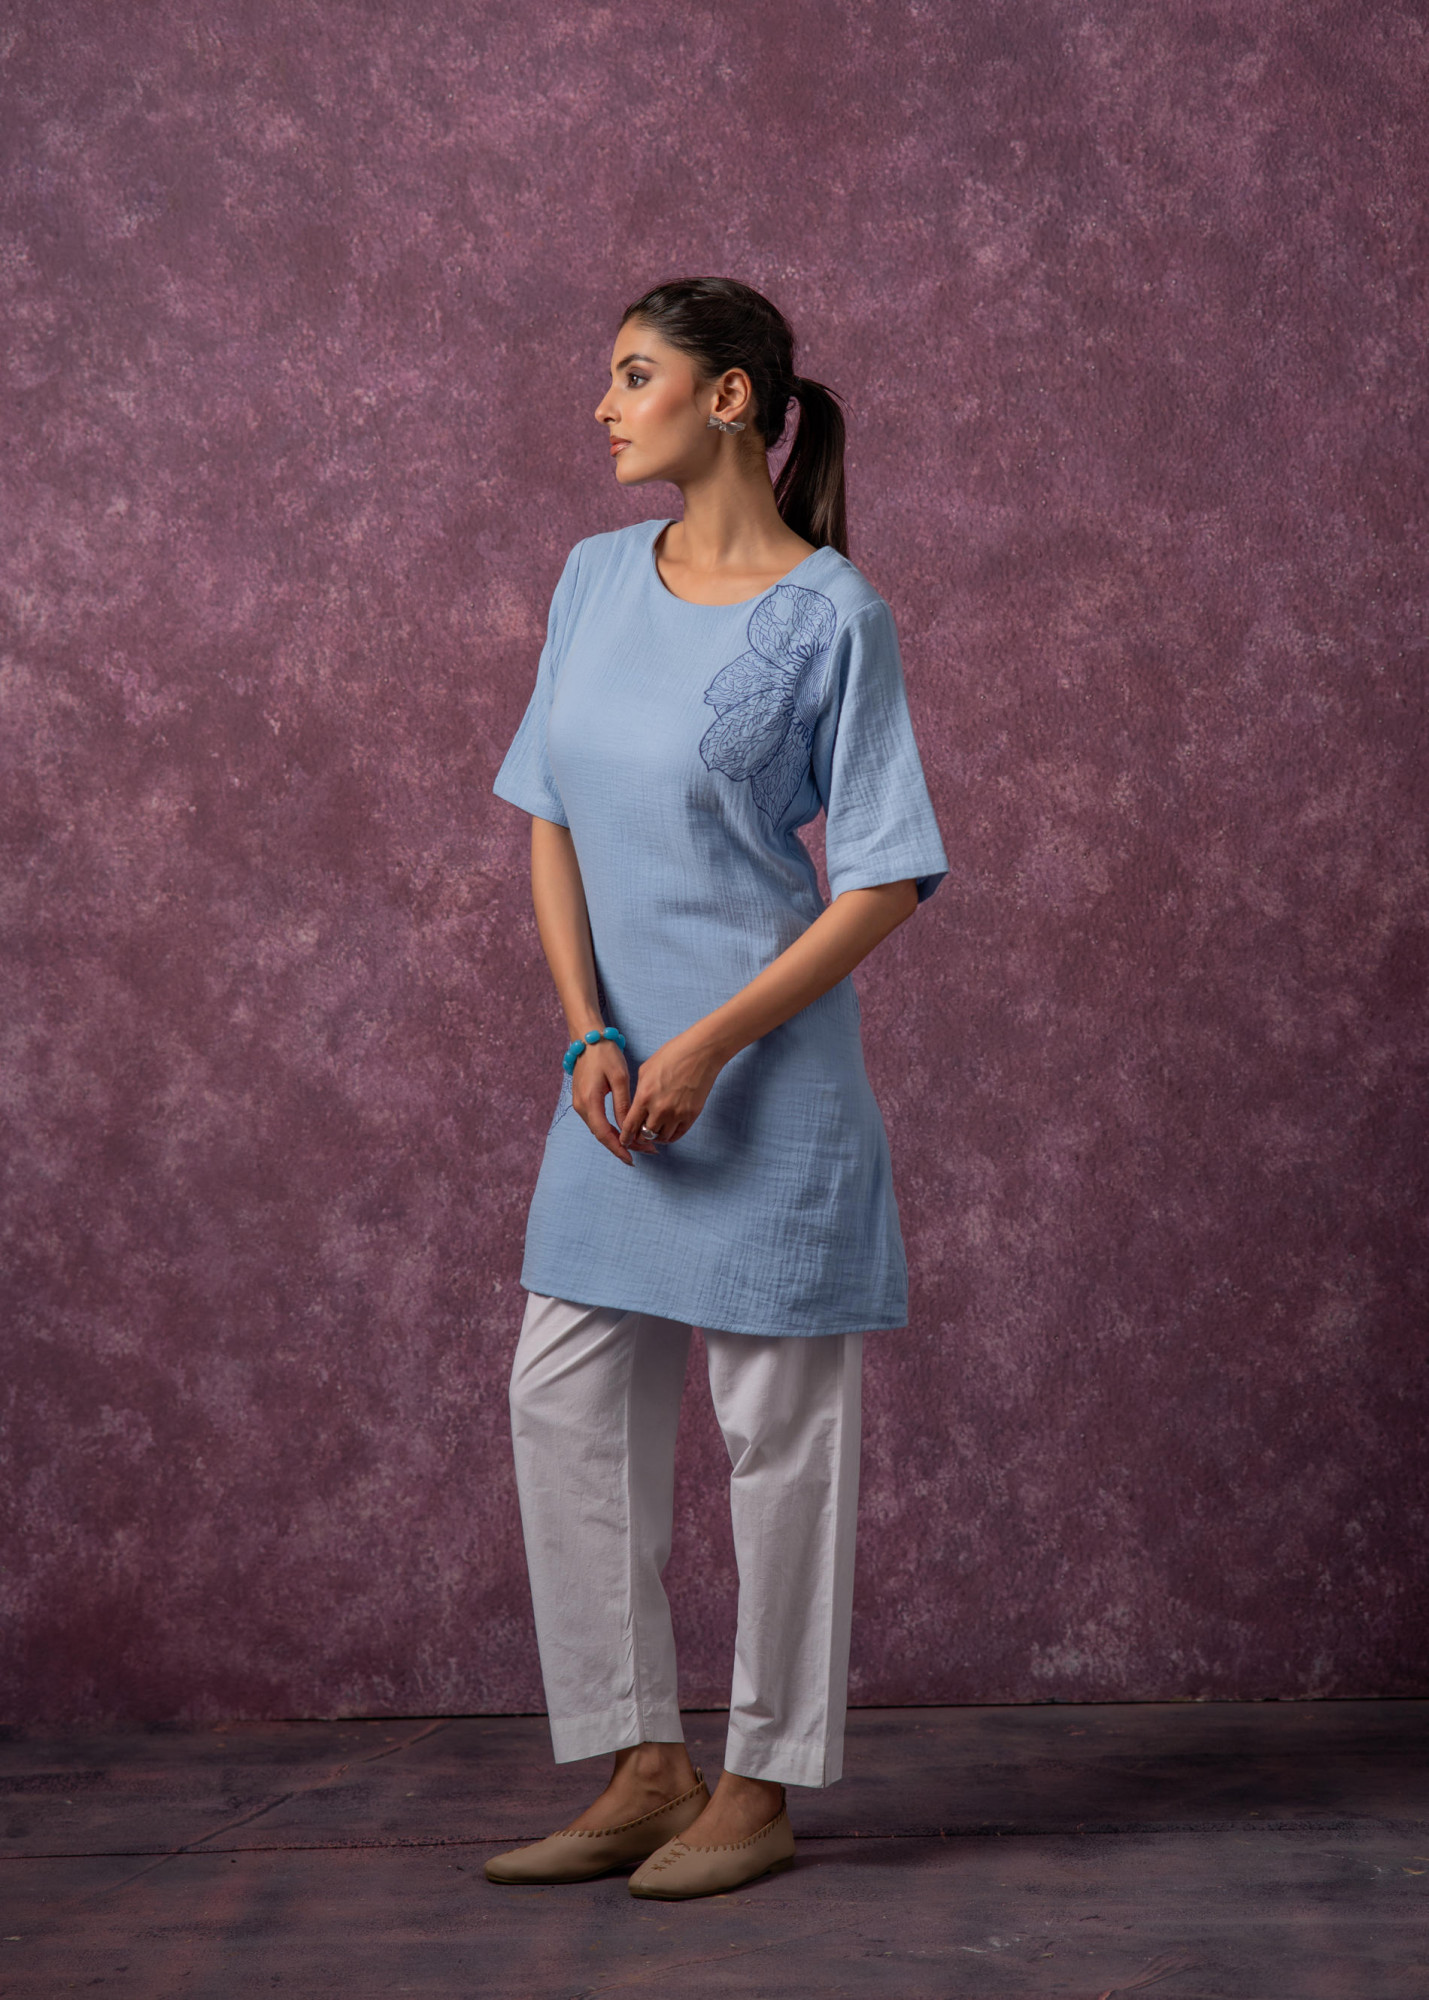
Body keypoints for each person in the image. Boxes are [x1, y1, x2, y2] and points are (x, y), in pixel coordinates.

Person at [484, 276, 947, 1900]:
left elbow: (883, 876)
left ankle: (757, 1788)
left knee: (779, 1444)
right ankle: (641, 1768)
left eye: (635, 376)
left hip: (763, 1084)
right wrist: (589, 1033)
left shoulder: (834, 615)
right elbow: (548, 812)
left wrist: (707, 1044)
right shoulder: (593, 578)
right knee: (561, 1403)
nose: (604, 408)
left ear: (731, 397)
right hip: (614, 1087)